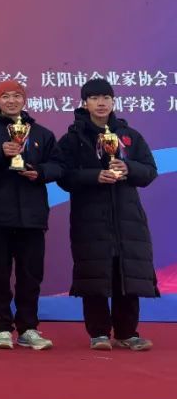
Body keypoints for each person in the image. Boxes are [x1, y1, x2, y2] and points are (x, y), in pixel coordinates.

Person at [56, 78, 158, 351]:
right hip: (90, 218)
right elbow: (63, 176)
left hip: (127, 218)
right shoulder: (73, 139)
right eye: (94, 98)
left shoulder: (129, 135)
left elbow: (150, 171)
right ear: (85, 103)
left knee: (126, 273)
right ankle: (98, 333)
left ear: (113, 102)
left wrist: (129, 169)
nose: (101, 103)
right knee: (95, 275)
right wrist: (94, 176)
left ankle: (127, 333)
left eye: (106, 98)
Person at [0, 79, 62, 350]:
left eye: (17, 96)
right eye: (5, 96)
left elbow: (59, 166)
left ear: (24, 100)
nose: (11, 101)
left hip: (32, 217)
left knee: (31, 275)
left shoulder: (41, 133)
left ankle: (28, 328)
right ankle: (2, 328)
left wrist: (40, 172)